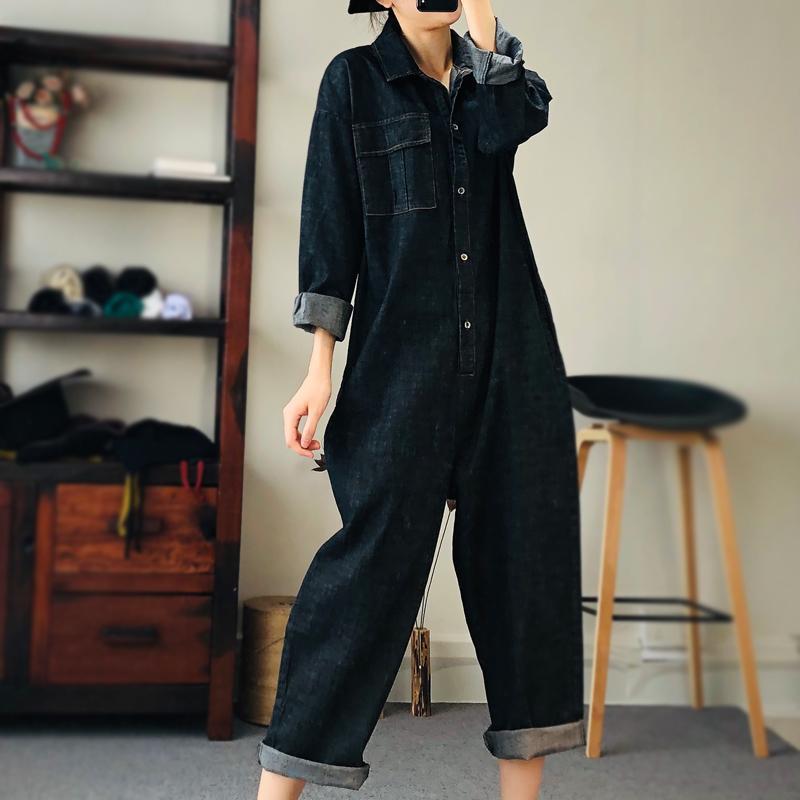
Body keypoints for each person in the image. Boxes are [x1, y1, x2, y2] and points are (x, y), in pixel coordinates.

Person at [258, 1, 585, 797]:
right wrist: (318, 368)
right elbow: (330, 225)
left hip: (513, 368)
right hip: (400, 368)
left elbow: (508, 128)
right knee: (364, 585)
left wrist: (485, 29)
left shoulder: (499, 80)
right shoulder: (353, 81)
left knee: (524, 578)